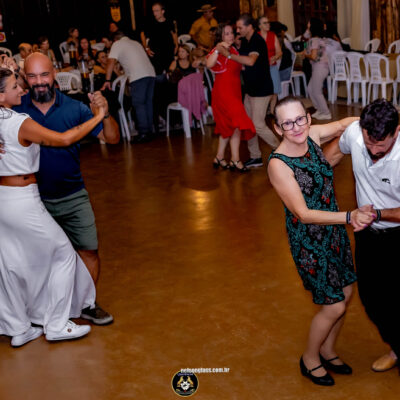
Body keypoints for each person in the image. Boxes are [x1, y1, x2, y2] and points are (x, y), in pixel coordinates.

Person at [267, 96, 374, 386]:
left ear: (308, 118)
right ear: (277, 128)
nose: (296, 127)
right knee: (334, 305)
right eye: (287, 123)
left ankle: (327, 349)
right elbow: (303, 214)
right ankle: (310, 358)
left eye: (300, 119)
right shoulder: (278, 164)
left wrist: (374, 122)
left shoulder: (312, 135)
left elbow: (343, 124)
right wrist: (350, 216)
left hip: (334, 231)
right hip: (309, 241)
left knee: (346, 293)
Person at [11, 52, 120, 325]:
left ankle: (87, 303)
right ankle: (43, 310)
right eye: (32, 76)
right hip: (34, 199)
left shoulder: (75, 108)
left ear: (55, 74)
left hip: (73, 194)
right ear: (24, 78)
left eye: (44, 75)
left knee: (88, 250)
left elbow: (112, 138)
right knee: (37, 259)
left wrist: (104, 113)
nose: (39, 82)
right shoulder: (17, 108)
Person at [324, 98, 400, 373]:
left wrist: (377, 213)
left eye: (382, 146)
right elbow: (331, 156)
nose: (374, 151)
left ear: (397, 131)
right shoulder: (356, 133)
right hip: (367, 232)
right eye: (369, 143)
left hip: (396, 231)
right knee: (372, 298)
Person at [218, 14, 278, 169]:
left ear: (250, 26)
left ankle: (281, 150)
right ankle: (255, 156)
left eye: (240, 27)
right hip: (250, 90)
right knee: (248, 124)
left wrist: (229, 55)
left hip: (262, 89)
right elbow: (242, 62)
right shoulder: (245, 41)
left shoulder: (257, 41)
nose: (237, 30)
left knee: (257, 125)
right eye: (236, 28)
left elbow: (250, 61)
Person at [206, 23, 255, 172]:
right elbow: (209, 64)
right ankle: (235, 159)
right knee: (237, 123)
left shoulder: (233, 50)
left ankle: (219, 157)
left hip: (234, 92)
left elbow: (240, 66)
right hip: (224, 93)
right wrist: (217, 49)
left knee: (228, 126)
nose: (231, 35)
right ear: (220, 36)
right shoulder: (218, 50)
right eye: (227, 33)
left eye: (231, 33)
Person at [103, 30, 156, 144]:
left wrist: (107, 80)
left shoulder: (117, 44)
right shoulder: (136, 42)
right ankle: (150, 131)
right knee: (148, 103)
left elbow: (111, 61)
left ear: (115, 40)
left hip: (138, 76)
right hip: (151, 74)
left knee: (139, 104)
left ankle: (143, 133)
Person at [303, 18, 332, 120]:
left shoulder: (314, 40)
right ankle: (319, 109)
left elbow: (313, 56)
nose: (308, 25)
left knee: (316, 90)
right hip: (319, 67)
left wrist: (305, 55)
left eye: (309, 24)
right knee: (310, 88)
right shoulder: (317, 38)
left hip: (320, 67)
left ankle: (326, 112)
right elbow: (304, 37)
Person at [140, 2, 178, 79]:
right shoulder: (150, 23)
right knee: (157, 78)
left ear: (163, 11)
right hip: (155, 55)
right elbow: (142, 34)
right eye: (153, 11)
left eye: (157, 11)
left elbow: (174, 34)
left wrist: (176, 45)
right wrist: (146, 48)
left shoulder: (170, 22)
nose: (154, 13)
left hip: (168, 53)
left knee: (170, 77)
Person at [258, 16, 282, 114]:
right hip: (261, 69)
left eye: (268, 22)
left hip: (272, 66)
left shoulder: (272, 35)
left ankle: (272, 113)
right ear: (259, 26)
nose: (268, 24)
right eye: (265, 23)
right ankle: (262, 112)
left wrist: (275, 57)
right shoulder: (256, 37)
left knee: (275, 91)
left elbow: (279, 52)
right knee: (264, 93)